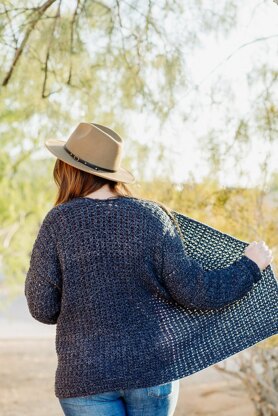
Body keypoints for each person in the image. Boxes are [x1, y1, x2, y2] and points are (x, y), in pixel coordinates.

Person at [24, 122, 273, 416]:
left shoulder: (58, 222)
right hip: (153, 372)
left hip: (84, 376)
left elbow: (42, 307)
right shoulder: (152, 217)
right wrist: (250, 266)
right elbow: (196, 292)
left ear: (68, 169)